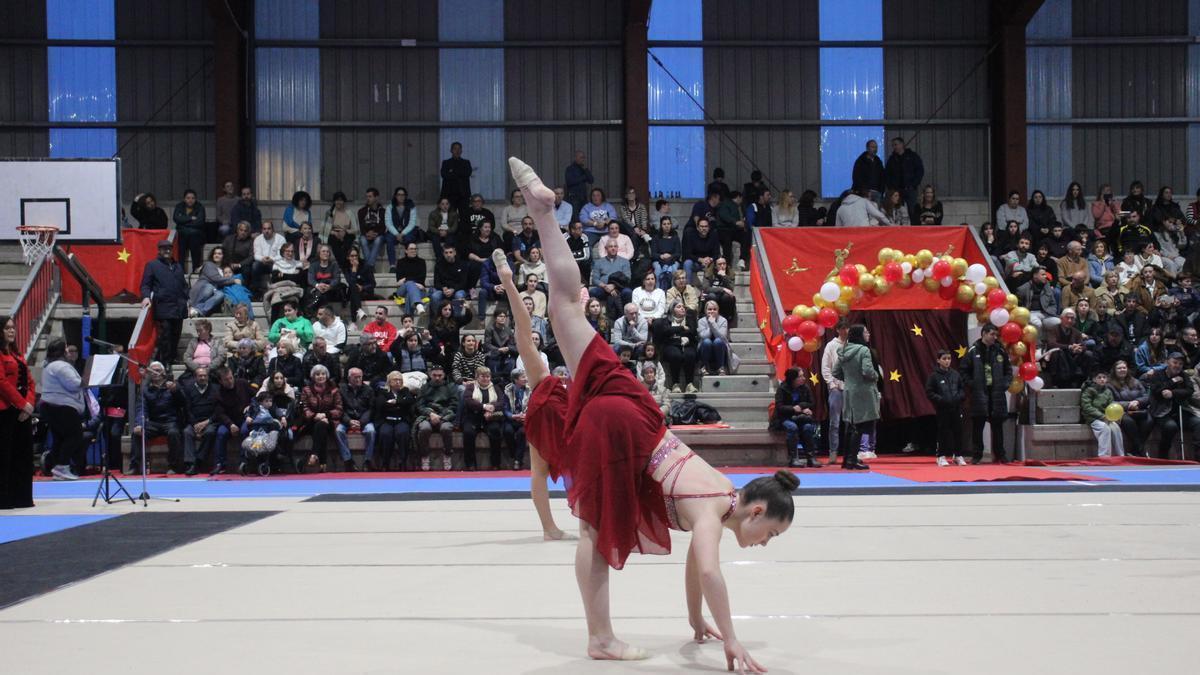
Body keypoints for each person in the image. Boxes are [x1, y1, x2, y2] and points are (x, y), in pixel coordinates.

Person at [506, 158, 795, 668]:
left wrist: (693, 622)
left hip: (635, 411)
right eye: (769, 533)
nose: (764, 544)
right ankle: (599, 638)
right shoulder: (711, 509)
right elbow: (709, 572)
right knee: (594, 531)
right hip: (622, 432)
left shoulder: (721, 493)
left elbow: (694, 569)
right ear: (755, 511)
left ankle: (545, 215)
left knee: (567, 306)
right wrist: (731, 637)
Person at [960, 324, 1012, 464]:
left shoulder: (1000, 350)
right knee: (978, 425)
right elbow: (964, 371)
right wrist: (972, 385)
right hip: (979, 393)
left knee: (997, 426)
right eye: (992, 334)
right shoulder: (972, 351)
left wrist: (1004, 384)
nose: (995, 337)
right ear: (984, 334)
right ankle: (977, 455)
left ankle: (1000, 454)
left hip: (996, 393)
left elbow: (1008, 370)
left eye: (996, 335)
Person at [0, 316, 37, 507]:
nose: (11, 331)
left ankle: (22, 497)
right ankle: (4, 498)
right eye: (7, 328)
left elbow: (30, 381)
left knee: (23, 456)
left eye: (13, 328)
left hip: (22, 411)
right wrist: (21, 404)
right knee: (5, 456)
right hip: (5, 411)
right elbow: (2, 383)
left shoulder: (17, 355)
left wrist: (29, 405)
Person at [833, 324, 877, 470]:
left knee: (850, 427)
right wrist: (876, 376)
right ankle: (852, 460)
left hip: (848, 391)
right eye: (866, 331)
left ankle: (847, 460)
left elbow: (835, 372)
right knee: (859, 426)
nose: (868, 333)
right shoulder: (864, 350)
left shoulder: (843, 350)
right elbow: (867, 371)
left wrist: (849, 379)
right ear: (860, 334)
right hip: (863, 392)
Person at [40, 339, 85, 481]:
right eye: (66, 348)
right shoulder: (61, 366)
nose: (68, 351)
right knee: (75, 436)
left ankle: (58, 467)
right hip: (62, 407)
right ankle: (62, 466)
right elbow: (74, 385)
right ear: (62, 350)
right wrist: (87, 380)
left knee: (60, 438)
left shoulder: (49, 366)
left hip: (51, 407)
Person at [141, 240, 189, 366]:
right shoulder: (152, 265)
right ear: (159, 250)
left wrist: (186, 297)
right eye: (164, 249)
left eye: (169, 248)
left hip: (179, 307)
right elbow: (145, 285)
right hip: (164, 307)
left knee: (176, 334)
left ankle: (172, 358)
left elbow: (183, 285)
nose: (167, 251)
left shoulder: (178, 265)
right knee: (165, 336)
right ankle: (165, 362)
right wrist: (146, 297)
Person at [130, 361, 184, 474]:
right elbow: (141, 408)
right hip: (154, 423)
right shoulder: (145, 389)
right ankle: (136, 466)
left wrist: (176, 391)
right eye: (152, 370)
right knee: (137, 433)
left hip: (170, 421)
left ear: (163, 372)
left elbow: (183, 403)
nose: (155, 373)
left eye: (158, 370)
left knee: (174, 433)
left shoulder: (173, 385)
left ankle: (174, 467)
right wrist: (139, 423)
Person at [1145, 352, 1195, 459]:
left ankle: (1197, 455)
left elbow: (1190, 390)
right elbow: (1157, 391)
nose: (1177, 366)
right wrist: (1173, 381)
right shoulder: (1157, 374)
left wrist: (1173, 393)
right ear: (1168, 362)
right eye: (1175, 362)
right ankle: (1162, 455)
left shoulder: (1183, 375)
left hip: (1181, 410)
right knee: (1170, 427)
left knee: (1198, 423)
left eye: (1180, 364)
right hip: (1161, 411)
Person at [296, 364, 343, 472]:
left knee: (321, 425)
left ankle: (314, 455)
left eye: (323, 374)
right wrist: (315, 416)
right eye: (317, 374)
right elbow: (304, 408)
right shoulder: (306, 390)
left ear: (327, 376)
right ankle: (322, 463)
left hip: (330, 421)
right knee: (321, 428)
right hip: (310, 421)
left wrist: (325, 415)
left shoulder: (334, 390)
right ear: (313, 377)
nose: (320, 376)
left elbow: (339, 409)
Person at [771, 367, 820, 468]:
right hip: (784, 418)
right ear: (793, 378)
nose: (803, 378)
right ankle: (793, 458)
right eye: (800, 376)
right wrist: (793, 408)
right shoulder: (782, 389)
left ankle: (811, 457)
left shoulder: (805, 388)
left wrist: (802, 407)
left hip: (801, 417)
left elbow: (811, 403)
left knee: (807, 427)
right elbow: (779, 407)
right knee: (792, 427)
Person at [924, 350, 966, 466]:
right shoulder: (934, 376)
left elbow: (962, 389)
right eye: (944, 358)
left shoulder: (955, 374)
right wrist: (941, 400)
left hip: (956, 408)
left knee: (958, 431)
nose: (947, 361)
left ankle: (957, 455)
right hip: (942, 409)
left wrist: (959, 398)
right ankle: (941, 456)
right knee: (943, 432)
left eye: (949, 358)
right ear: (938, 360)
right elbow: (929, 392)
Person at [461, 366, 506, 471]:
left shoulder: (496, 388)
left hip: (491, 418)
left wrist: (493, 408)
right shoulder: (470, 387)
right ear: (477, 377)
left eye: (488, 376)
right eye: (483, 376)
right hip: (472, 417)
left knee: (495, 431)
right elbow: (468, 401)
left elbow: (502, 402)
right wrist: (484, 407)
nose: (486, 379)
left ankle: (496, 464)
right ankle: (470, 464)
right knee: (468, 432)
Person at [414, 363, 457, 471]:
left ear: (444, 375)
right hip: (427, 416)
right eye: (434, 375)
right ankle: (424, 455)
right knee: (424, 428)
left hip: (445, 415)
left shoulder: (450, 387)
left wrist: (440, 416)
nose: (437, 378)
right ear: (430, 375)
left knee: (446, 428)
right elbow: (420, 405)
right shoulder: (424, 388)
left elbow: (454, 404)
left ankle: (447, 454)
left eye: (440, 375)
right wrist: (430, 414)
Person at [181, 366, 222, 475]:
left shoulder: (216, 388)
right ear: (195, 377)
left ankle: (198, 461)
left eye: (205, 375)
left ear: (208, 377)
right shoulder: (188, 389)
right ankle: (190, 463)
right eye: (200, 376)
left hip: (210, 421)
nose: (203, 378)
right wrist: (195, 424)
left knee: (210, 432)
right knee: (187, 432)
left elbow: (218, 410)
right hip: (194, 422)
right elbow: (187, 409)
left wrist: (207, 422)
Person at [374, 371, 415, 471]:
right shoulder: (383, 392)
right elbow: (381, 405)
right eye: (395, 380)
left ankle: (403, 462)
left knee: (403, 432)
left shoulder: (405, 391)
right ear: (389, 381)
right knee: (385, 434)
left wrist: (396, 402)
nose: (398, 382)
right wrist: (400, 405)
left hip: (401, 420)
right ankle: (385, 463)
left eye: (400, 380)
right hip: (386, 420)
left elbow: (410, 401)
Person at [336, 367, 376, 471]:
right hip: (347, 419)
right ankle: (348, 460)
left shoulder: (369, 389)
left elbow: (371, 409)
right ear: (349, 378)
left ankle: (368, 460)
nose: (358, 380)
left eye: (360, 377)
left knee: (371, 431)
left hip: (364, 419)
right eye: (355, 377)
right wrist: (348, 421)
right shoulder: (341, 390)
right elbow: (340, 409)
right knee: (338, 430)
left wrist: (361, 422)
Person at [821, 320, 849, 463]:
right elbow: (826, 367)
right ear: (838, 330)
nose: (845, 331)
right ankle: (833, 452)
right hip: (836, 389)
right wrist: (832, 384)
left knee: (850, 422)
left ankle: (850, 453)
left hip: (850, 389)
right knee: (835, 422)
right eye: (843, 328)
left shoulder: (852, 345)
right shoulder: (831, 345)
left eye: (847, 328)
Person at [1081, 369, 1124, 457]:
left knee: (1116, 428)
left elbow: (1111, 405)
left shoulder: (1108, 391)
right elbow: (1087, 407)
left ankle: (1120, 455)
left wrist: (1116, 416)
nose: (1102, 379)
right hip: (1093, 418)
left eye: (1104, 377)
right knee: (1105, 428)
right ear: (1094, 379)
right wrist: (1102, 416)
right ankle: (1104, 456)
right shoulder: (1089, 390)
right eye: (1099, 377)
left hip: (1106, 417)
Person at [883, 137, 924, 221]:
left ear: (902, 144)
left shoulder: (913, 156)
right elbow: (887, 174)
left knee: (913, 211)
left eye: (896, 144)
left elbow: (920, 171)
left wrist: (914, 184)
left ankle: (914, 230)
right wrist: (891, 187)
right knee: (898, 211)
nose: (894, 147)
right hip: (897, 191)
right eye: (893, 145)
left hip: (910, 189)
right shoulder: (892, 159)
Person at [173, 189, 207, 273]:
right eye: (188, 198)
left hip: (196, 233)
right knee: (181, 240)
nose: (190, 200)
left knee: (194, 237)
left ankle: (196, 269)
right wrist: (191, 218)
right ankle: (180, 270)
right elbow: (176, 218)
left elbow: (199, 222)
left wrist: (183, 223)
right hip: (182, 234)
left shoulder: (200, 207)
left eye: (193, 198)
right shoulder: (179, 206)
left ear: (195, 199)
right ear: (184, 199)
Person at [697, 300, 731, 376]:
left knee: (718, 341)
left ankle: (721, 368)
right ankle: (704, 367)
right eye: (709, 309)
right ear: (705, 311)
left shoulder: (723, 320)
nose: (712, 311)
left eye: (715, 309)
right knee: (707, 341)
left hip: (720, 348)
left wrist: (713, 323)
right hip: (705, 348)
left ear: (718, 310)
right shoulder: (701, 321)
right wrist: (710, 324)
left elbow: (722, 337)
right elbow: (704, 336)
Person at [439, 141, 473, 213]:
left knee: (464, 216)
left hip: (463, 195)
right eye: (455, 149)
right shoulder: (446, 163)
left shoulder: (466, 162)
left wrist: (452, 172)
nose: (457, 151)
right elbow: (444, 175)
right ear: (451, 150)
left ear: (461, 150)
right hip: (449, 195)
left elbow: (467, 173)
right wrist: (459, 173)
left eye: (459, 149)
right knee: (450, 217)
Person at [564, 150, 593, 219]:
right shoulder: (570, 169)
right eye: (581, 157)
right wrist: (583, 178)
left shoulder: (584, 169)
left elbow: (591, 180)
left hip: (583, 197)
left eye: (583, 158)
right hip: (574, 197)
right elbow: (570, 182)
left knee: (584, 215)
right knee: (575, 216)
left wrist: (586, 170)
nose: (582, 159)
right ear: (576, 158)